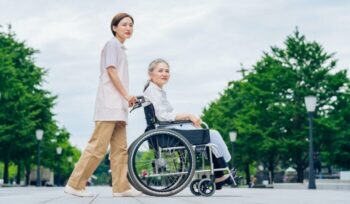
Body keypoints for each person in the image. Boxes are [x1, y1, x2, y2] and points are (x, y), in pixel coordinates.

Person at [64, 13, 142, 197]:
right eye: (124, 24)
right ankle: (75, 184)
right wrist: (126, 95)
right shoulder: (112, 45)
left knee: (120, 149)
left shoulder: (121, 49)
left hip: (119, 107)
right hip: (110, 104)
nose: (128, 28)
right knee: (98, 147)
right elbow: (111, 71)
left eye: (131, 25)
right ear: (114, 27)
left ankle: (121, 187)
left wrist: (125, 99)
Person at [143, 58, 234, 189]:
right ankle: (222, 171)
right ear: (150, 73)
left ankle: (221, 171)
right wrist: (188, 116)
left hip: (167, 129)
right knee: (211, 134)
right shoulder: (152, 91)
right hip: (167, 130)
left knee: (207, 134)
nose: (165, 73)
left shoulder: (154, 90)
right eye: (160, 70)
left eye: (167, 71)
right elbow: (163, 116)